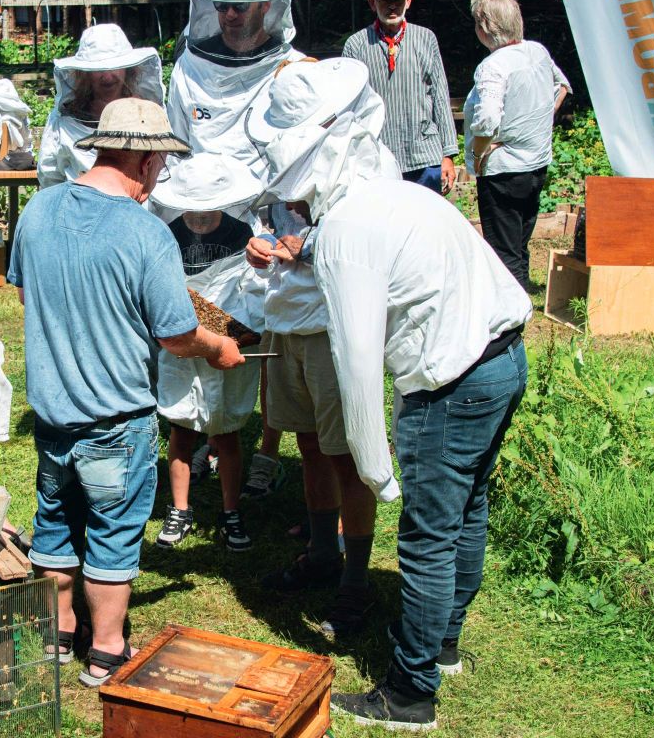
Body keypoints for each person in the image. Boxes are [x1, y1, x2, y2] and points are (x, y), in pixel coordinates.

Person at [253, 53, 531, 734]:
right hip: (503, 359)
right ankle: (442, 644)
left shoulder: (349, 228)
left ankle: (409, 693)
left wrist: (373, 468)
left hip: (450, 381)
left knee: (427, 538)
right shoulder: (399, 195)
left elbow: (354, 361)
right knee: (466, 509)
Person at [9, 98, 245, 688]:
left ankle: (60, 633)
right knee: (114, 532)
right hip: (116, 419)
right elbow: (175, 334)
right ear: (141, 159)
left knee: (56, 520)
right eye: (160, 163)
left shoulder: (38, 210)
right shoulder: (146, 233)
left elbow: (24, 295)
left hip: (53, 412)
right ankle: (107, 651)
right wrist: (217, 348)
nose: (159, 175)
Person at [244, 58, 401, 641]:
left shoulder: (370, 165)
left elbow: (370, 247)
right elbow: (268, 215)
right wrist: (259, 247)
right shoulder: (289, 159)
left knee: (349, 456)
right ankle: (320, 553)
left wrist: (303, 247)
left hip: (340, 326)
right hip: (287, 320)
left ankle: (355, 580)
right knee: (309, 444)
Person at [167, 0, 302, 498]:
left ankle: (265, 448)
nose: (229, 16)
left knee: (265, 335)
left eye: (240, 6)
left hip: (264, 220)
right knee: (205, 325)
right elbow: (177, 145)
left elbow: (296, 149)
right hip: (202, 216)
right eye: (221, 6)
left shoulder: (288, 68)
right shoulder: (188, 68)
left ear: (267, 7)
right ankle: (210, 432)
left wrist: (283, 225)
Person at [148, 153, 267, 552]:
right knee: (181, 428)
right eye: (192, 214)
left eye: (206, 214)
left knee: (227, 433)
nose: (198, 222)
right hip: (182, 335)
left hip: (230, 333)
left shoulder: (241, 232)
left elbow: (253, 285)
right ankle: (180, 509)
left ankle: (230, 510)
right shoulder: (167, 233)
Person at [463, 0, 571, 291]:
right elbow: (561, 87)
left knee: (503, 249)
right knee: (520, 241)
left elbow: (486, 121)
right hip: (535, 165)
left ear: (485, 26)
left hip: (504, 171)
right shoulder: (536, 51)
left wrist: (482, 153)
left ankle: (510, 317)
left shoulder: (493, 66)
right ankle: (520, 297)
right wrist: (536, 123)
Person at [342, 0, 458, 195]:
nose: (392, 7)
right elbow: (349, 108)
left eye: (397, 0)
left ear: (408, 0)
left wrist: (448, 154)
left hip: (424, 155)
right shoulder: (356, 45)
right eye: (386, 0)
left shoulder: (426, 38)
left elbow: (441, 97)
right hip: (378, 158)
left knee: (426, 224)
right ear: (372, 3)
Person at [36, 24, 163, 188]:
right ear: (84, 73)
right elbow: (49, 176)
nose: (107, 76)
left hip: (134, 209)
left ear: (128, 70)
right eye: (99, 70)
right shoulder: (63, 121)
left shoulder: (146, 115)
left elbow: (162, 171)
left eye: (114, 68)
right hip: (79, 209)